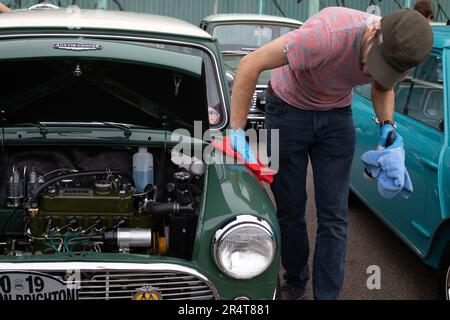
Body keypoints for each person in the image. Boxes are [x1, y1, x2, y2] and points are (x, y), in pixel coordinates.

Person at [229, 7, 433, 300]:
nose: (369, 71)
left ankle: (327, 295)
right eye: (373, 62)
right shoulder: (325, 35)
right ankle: (296, 279)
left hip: (336, 116)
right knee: (290, 206)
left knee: (334, 214)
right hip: (288, 109)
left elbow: (382, 86)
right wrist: (237, 130)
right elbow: (251, 63)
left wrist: (388, 126)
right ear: (374, 32)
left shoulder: (404, 51)